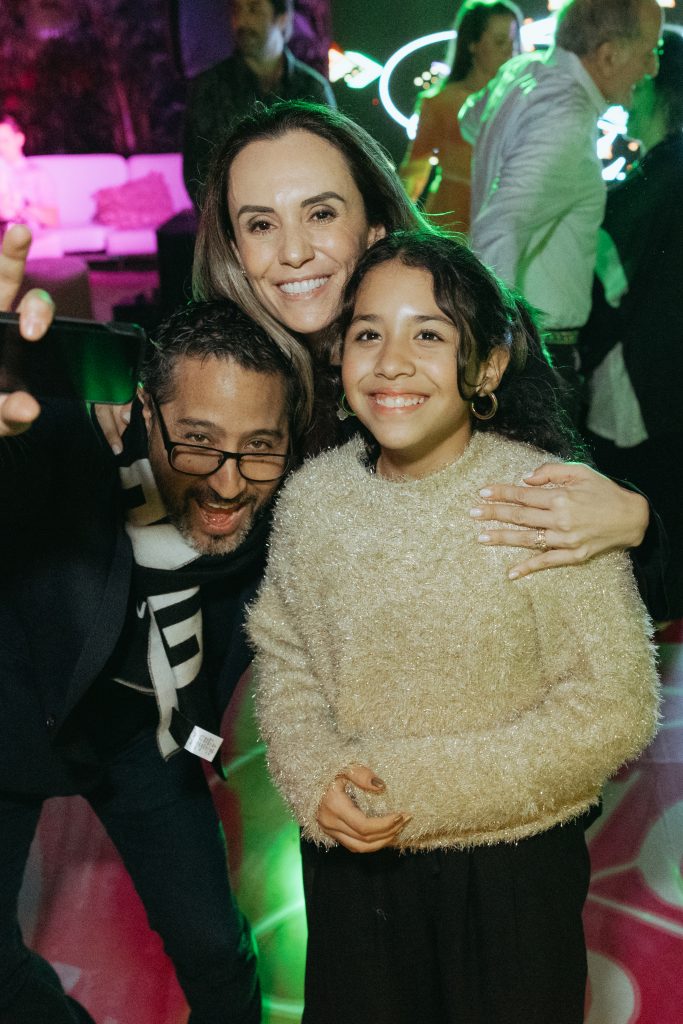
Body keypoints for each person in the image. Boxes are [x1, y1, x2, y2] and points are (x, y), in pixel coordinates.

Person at [246, 231, 659, 1024]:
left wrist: (406, 790)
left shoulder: (545, 499)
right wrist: (314, 774)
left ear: (488, 366)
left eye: (428, 335)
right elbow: (285, 655)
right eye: (368, 333)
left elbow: (613, 705)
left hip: (511, 879)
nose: (391, 363)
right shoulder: (312, 499)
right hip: (352, 874)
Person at [0, 282, 312, 1023]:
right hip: (14, 711)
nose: (228, 482)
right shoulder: (65, 435)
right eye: (197, 440)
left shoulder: (292, 497)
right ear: (144, 410)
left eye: (258, 447)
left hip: (147, 738)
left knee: (214, 950)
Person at [460, 0, 663, 414]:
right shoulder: (567, 117)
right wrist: (497, 348)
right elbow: (499, 227)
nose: (652, 68)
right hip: (537, 358)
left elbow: (469, 119)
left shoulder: (522, 71)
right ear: (608, 55)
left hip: (530, 351)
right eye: (649, 52)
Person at [580, 27, 683, 620]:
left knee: (640, 526)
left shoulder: (660, 173)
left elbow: (604, 269)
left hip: (640, 380)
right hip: (664, 379)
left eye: (644, 76)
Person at [183, 0, 336, 209]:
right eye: (237, 10)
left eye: (254, 9)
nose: (242, 21)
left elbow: (329, 161)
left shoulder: (311, 87)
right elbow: (196, 171)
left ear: (282, 19)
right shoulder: (210, 87)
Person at [399, 0, 522, 231]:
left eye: (514, 42)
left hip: (504, 222)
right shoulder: (442, 102)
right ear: (473, 44)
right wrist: (396, 224)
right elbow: (415, 172)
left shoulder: (523, 102)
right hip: (451, 223)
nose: (510, 51)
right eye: (499, 42)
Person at [0, 114, 58, 231]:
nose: (1, 146)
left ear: (19, 139)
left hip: (28, 234)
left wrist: (23, 205)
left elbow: (53, 219)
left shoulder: (36, 173)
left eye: (5, 140)